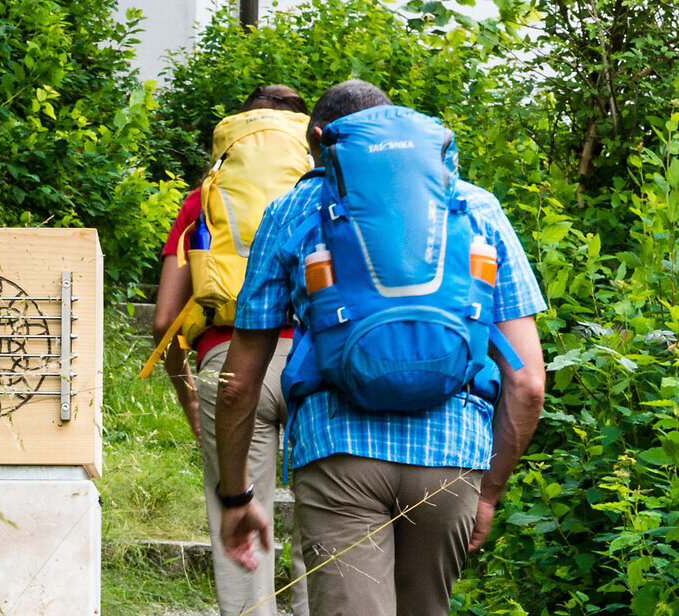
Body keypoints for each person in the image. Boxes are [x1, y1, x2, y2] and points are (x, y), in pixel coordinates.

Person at [210, 80, 547, 616]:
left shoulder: (291, 211)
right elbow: (528, 383)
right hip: (450, 458)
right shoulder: (476, 206)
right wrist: (487, 493)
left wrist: (235, 499)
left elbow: (238, 386)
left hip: (338, 455)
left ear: (319, 139)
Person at [153, 84, 310, 616]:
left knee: (240, 515)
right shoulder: (321, 194)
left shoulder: (205, 198)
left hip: (228, 364)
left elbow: (162, 322)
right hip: (317, 363)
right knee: (328, 523)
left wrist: (188, 396)